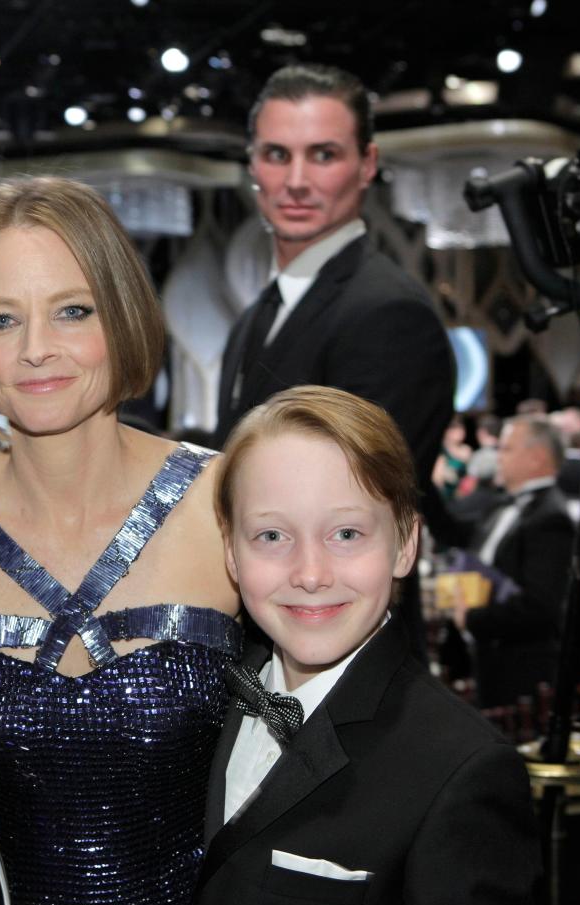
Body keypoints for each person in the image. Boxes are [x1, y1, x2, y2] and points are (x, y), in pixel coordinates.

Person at [0, 176, 243, 905]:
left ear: (122, 314)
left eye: (72, 311)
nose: (36, 350)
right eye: (0, 320)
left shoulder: (226, 504)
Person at [197, 385, 538, 905]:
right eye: (271, 536)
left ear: (405, 543)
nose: (310, 574)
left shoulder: (459, 770)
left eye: (347, 533)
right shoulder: (203, 699)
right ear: (231, 553)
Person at [212, 63, 455, 660]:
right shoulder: (257, 315)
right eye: (276, 154)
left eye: (323, 155)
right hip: (271, 653)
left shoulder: (389, 313)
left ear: (367, 164)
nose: (296, 180)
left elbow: (355, 510)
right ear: (252, 165)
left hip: (353, 667)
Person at [453, 414, 574, 708]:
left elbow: (540, 606)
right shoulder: (500, 505)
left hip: (520, 669)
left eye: (506, 449)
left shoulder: (551, 517)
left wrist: (470, 618)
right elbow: (460, 537)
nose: (498, 457)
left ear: (536, 458)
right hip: (487, 657)